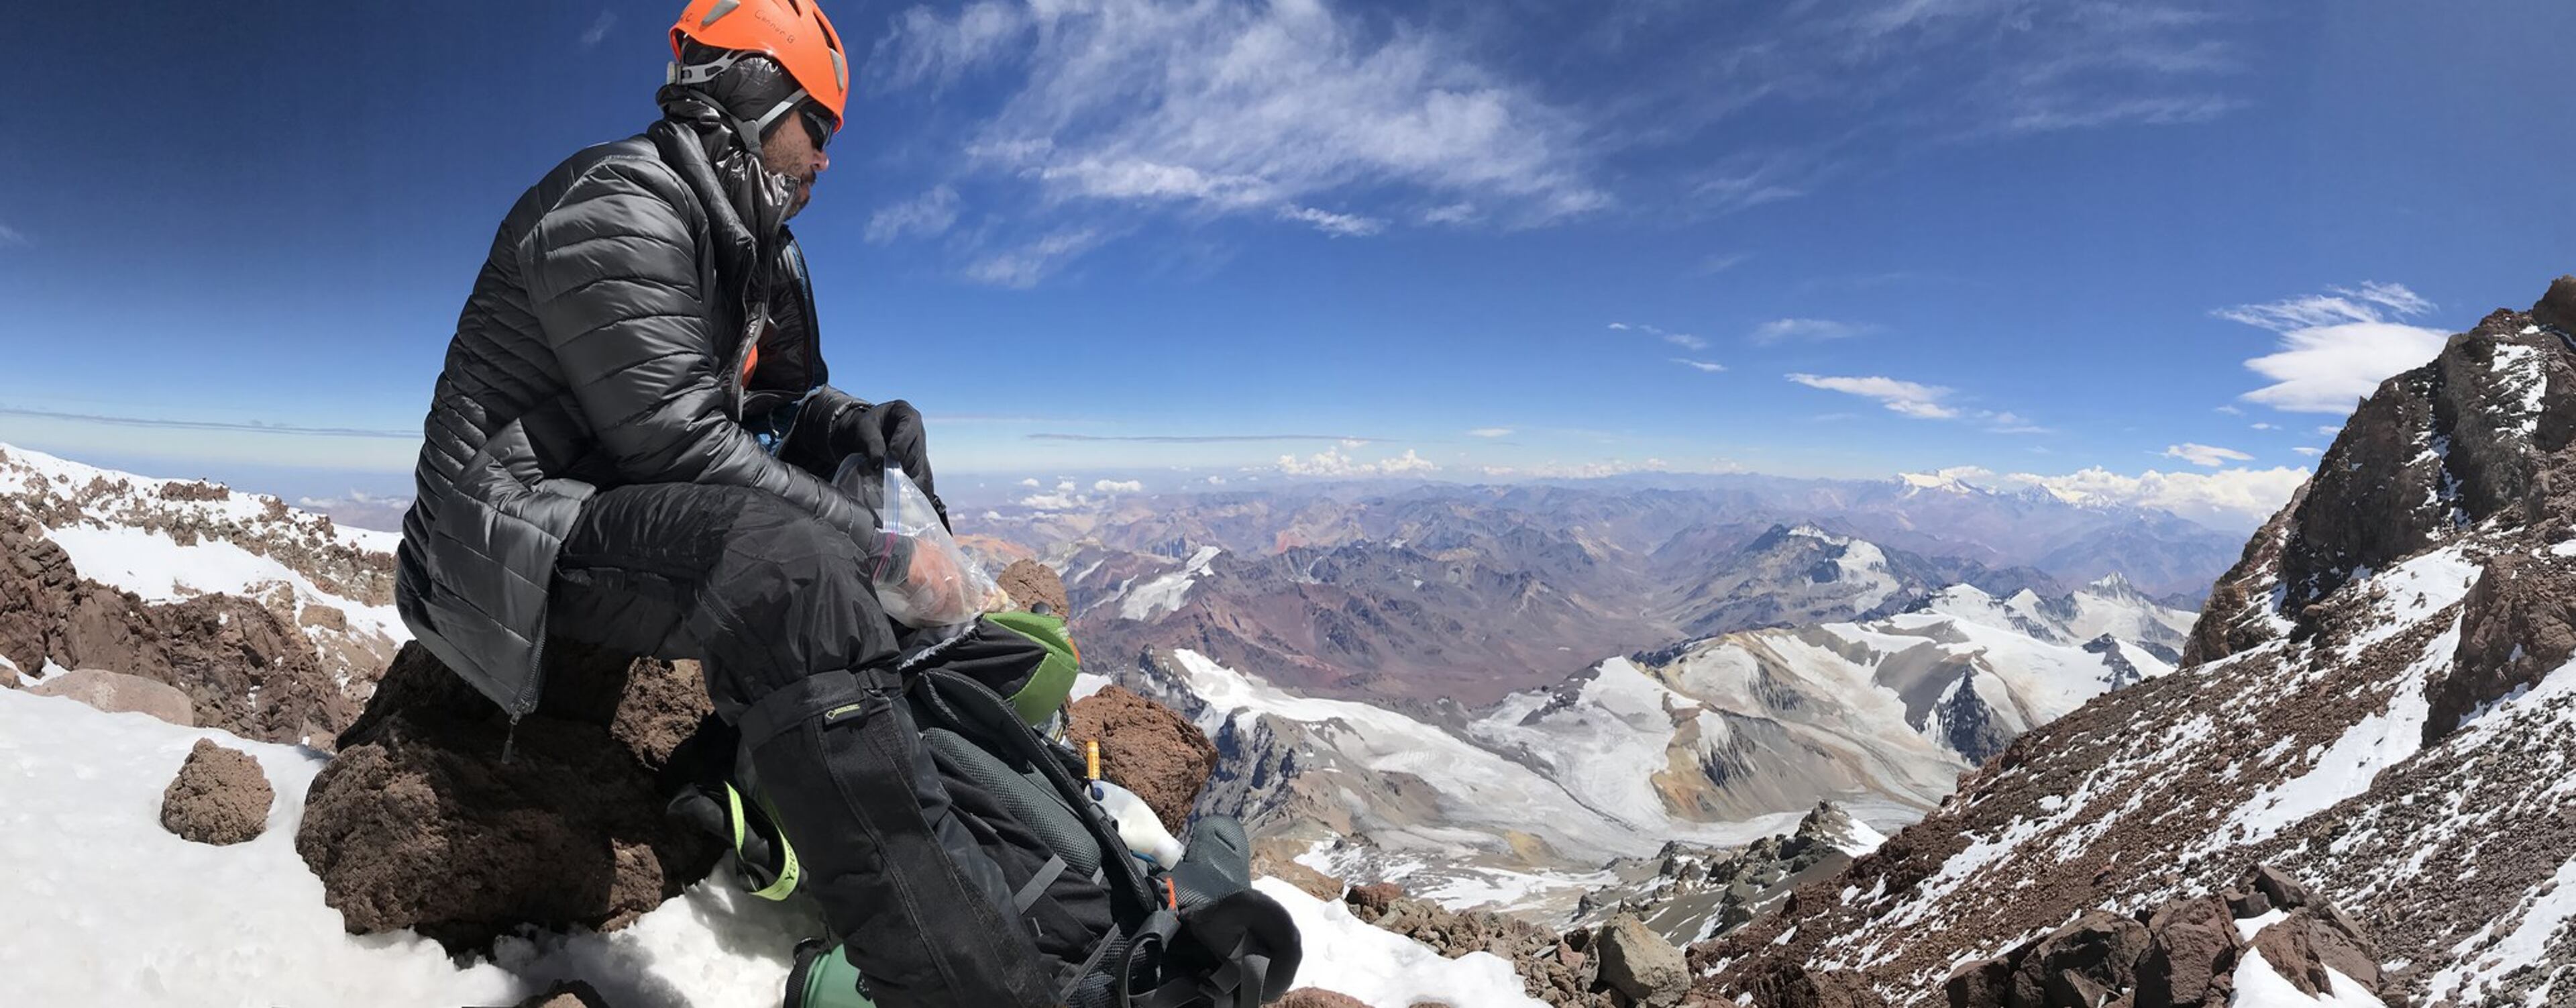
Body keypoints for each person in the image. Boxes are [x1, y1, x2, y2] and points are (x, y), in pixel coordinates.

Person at [392, 1, 1056, 1004]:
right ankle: (961, 979)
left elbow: (784, 401)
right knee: (794, 567)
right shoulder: (619, 201)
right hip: (511, 532)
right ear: (750, 92)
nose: (826, 161)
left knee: (876, 457)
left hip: (619, 502)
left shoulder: (760, 245)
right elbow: (678, 440)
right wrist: (884, 555)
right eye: (817, 128)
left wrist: (863, 433)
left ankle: (916, 771)